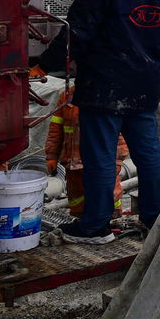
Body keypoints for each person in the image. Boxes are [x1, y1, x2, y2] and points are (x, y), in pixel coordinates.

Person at [34, 0, 160, 243]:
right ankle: (156, 219)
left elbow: (78, 34)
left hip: (103, 86)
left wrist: (44, 65)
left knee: (99, 156)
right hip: (144, 86)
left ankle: (95, 226)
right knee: (149, 154)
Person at [43, 84, 128, 219]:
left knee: (107, 192)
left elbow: (119, 133)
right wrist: (51, 156)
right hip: (73, 161)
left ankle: (110, 219)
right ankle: (81, 220)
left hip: (101, 162)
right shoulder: (67, 95)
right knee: (77, 195)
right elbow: (56, 129)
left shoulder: (110, 94)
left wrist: (117, 160)